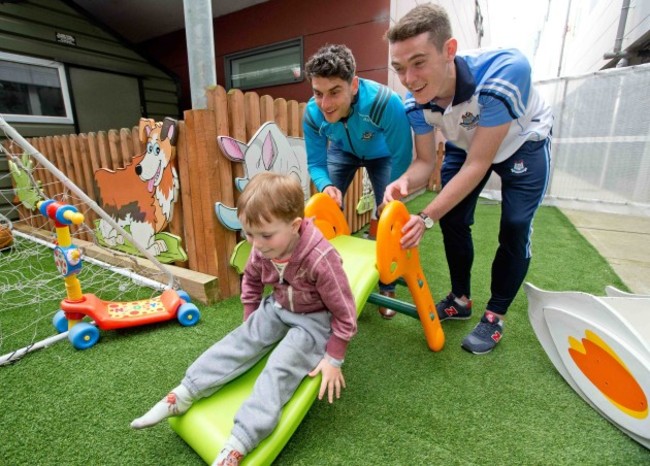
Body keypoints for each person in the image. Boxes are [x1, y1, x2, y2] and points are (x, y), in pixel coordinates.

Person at [130, 172, 357, 466]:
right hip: (277, 307)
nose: (257, 244)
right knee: (239, 341)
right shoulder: (264, 248)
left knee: (280, 366)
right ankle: (185, 392)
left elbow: (345, 313)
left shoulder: (320, 258)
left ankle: (239, 442)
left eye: (265, 235)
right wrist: (250, 321)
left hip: (313, 320)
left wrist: (334, 358)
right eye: (249, 234)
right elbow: (250, 281)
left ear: (295, 226)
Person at [383, 3, 553, 354]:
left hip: (522, 141)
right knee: (455, 219)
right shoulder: (414, 101)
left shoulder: (506, 71)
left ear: (449, 51)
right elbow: (425, 161)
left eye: (418, 63)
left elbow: (479, 164)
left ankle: (495, 314)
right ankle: (460, 299)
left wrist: (426, 215)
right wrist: (404, 182)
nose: (409, 79)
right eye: (399, 68)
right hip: (466, 141)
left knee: (516, 224)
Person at [303, 43, 413, 319]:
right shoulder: (313, 113)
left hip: (384, 155)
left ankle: (387, 285)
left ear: (353, 85)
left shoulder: (384, 103)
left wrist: (390, 194)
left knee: (386, 214)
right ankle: (327, 278)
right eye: (318, 93)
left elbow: (402, 155)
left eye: (334, 92)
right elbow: (316, 164)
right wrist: (326, 185)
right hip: (343, 151)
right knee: (325, 207)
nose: (324, 104)